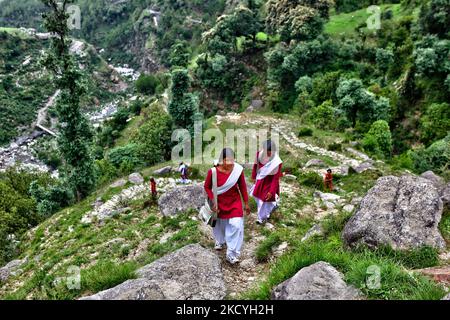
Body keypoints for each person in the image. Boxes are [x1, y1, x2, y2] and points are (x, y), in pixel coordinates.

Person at [204, 148, 251, 265]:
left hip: (234, 202)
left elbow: (243, 187)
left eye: (232, 160)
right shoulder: (213, 172)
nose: (230, 163)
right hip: (218, 202)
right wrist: (213, 201)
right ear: (221, 160)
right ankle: (220, 240)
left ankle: (232, 253)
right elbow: (207, 187)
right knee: (219, 224)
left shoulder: (238, 171)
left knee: (236, 225)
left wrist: (246, 203)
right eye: (227, 160)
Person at [251, 140, 283, 225]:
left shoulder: (277, 162)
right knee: (258, 197)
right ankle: (267, 212)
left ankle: (261, 218)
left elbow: (275, 178)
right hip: (260, 180)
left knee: (265, 199)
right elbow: (255, 165)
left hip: (270, 182)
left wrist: (271, 191)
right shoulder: (259, 154)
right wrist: (254, 176)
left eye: (270, 153)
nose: (268, 155)